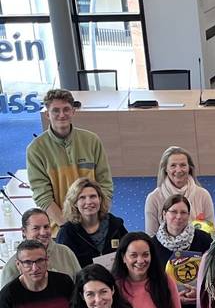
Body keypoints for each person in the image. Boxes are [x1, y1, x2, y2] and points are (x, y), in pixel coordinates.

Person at [26, 89, 113, 228]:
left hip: (95, 222)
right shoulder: (35, 150)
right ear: (47, 114)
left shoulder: (92, 140)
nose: (62, 115)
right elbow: (43, 196)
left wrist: (97, 218)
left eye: (66, 109)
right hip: (59, 227)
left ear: (73, 111)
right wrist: (67, 227)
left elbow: (105, 183)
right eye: (55, 110)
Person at [113, 233, 182, 308]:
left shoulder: (164, 281)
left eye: (145, 255)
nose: (140, 261)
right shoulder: (114, 287)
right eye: (133, 255)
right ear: (123, 257)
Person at [54, 178, 127, 269]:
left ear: (100, 199)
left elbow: (129, 252)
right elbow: (62, 266)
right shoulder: (67, 233)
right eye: (82, 198)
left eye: (93, 196)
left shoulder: (116, 225)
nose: (88, 202)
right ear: (75, 203)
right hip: (82, 281)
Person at [143, 146, 215, 237]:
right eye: (173, 165)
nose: (178, 170)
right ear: (165, 169)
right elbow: (151, 236)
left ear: (189, 168)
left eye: (183, 165)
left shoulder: (203, 195)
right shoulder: (153, 198)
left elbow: (212, 233)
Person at [1, 209, 80, 287]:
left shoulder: (65, 253)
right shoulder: (12, 266)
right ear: (24, 231)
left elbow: (81, 285)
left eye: (46, 227)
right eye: (36, 228)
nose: (43, 232)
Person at [152, 195, 214, 270]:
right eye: (174, 212)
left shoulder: (204, 239)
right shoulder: (152, 245)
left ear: (188, 215)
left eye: (183, 212)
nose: (178, 217)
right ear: (164, 214)